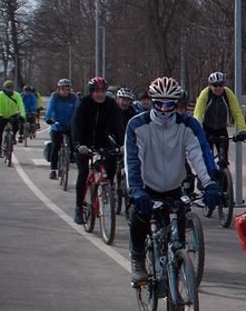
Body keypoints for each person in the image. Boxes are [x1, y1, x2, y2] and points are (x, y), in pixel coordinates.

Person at [126, 76, 221, 283]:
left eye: (170, 104)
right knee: (140, 216)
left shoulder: (188, 125)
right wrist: (136, 189)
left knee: (178, 236)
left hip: (174, 187)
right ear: (152, 100)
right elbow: (134, 159)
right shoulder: (137, 125)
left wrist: (210, 183)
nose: (164, 109)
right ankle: (138, 259)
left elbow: (198, 154)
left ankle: (176, 273)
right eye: (159, 103)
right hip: (147, 187)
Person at [70, 76, 124, 225]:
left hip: (102, 138)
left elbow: (118, 124)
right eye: (97, 91)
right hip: (83, 140)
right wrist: (78, 144)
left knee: (112, 159)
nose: (100, 94)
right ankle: (79, 208)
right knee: (83, 173)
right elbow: (75, 124)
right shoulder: (84, 103)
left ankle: (107, 187)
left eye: (103, 91)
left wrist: (122, 144)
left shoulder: (111, 104)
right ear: (92, 92)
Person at [194, 71, 246, 168]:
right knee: (207, 159)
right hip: (207, 130)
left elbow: (237, 112)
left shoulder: (228, 93)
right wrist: (196, 129)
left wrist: (242, 130)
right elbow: (198, 113)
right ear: (210, 85)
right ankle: (202, 181)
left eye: (221, 85)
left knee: (223, 161)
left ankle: (224, 179)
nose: (218, 88)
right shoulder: (205, 94)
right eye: (215, 85)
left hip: (221, 130)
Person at [44, 78, 78, 180]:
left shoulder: (74, 98)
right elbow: (50, 109)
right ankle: (53, 170)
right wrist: (48, 119)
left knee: (74, 142)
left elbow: (77, 110)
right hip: (57, 125)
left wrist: (75, 121)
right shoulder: (55, 97)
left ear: (70, 89)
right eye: (62, 89)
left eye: (67, 89)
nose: (64, 91)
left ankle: (71, 155)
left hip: (69, 124)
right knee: (55, 146)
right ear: (59, 89)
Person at [0, 79, 26, 158]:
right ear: (4, 88)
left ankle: (13, 136)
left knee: (16, 126)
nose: (9, 89)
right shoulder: (0, 95)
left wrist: (22, 115)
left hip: (12, 114)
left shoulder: (16, 95)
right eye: (8, 88)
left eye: (11, 88)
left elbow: (21, 105)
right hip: (2, 115)